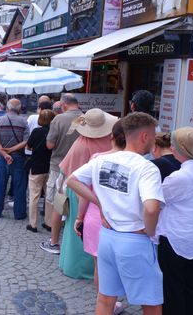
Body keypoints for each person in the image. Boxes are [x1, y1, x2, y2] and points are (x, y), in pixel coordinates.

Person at [67, 112, 164, 314]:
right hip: (134, 239)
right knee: (151, 304)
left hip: (108, 237)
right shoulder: (147, 168)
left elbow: (72, 180)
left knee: (105, 299)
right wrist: (150, 230)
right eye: (154, 135)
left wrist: (99, 202)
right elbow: (152, 207)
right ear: (145, 137)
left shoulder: (102, 160)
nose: (155, 139)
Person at [157, 127, 193, 315]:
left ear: (183, 149)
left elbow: (157, 201)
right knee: (190, 283)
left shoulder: (180, 177)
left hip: (174, 238)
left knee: (172, 288)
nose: (170, 147)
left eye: (174, 144)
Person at [57, 109, 117, 280]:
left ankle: (72, 265)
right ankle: (84, 267)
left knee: (77, 229)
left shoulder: (81, 142)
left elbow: (67, 170)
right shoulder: (103, 143)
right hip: (90, 191)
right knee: (86, 230)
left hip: (80, 188)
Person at [74, 120, 126, 314]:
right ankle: (111, 302)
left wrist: (80, 217)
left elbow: (82, 188)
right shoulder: (138, 162)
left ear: (111, 137)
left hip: (97, 217)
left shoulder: (97, 158)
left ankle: (104, 304)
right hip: (123, 220)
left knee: (100, 264)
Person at [41, 93, 83, 252]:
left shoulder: (58, 119)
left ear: (64, 105)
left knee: (58, 205)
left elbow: (50, 145)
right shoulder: (86, 118)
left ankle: (54, 242)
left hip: (60, 168)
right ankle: (72, 242)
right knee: (76, 206)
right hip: (81, 169)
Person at [0, 98, 30, 219]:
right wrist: (12, 150)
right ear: (19, 109)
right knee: (19, 186)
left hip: (2, 157)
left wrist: (4, 153)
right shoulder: (23, 122)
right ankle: (19, 213)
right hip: (18, 156)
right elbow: (26, 141)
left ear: (7, 108)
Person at [26, 109, 55, 232]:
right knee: (49, 195)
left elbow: (28, 146)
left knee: (34, 196)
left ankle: (33, 224)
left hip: (36, 166)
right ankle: (49, 222)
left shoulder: (36, 131)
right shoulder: (54, 132)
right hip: (50, 166)